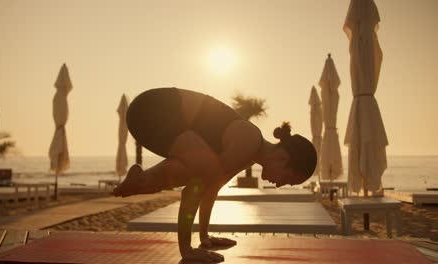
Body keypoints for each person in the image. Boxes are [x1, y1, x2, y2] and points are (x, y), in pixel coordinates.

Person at [113, 87, 317, 263]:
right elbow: (192, 191)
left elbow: (211, 189)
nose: (280, 185)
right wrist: (187, 250)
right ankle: (142, 180)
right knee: (198, 172)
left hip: (152, 114)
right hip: (151, 110)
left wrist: (204, 236)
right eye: (288, 179)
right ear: (282, 158)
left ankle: (140, 180)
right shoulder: (248, 141)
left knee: (200, 170)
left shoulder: (249, 152)